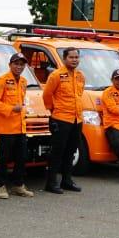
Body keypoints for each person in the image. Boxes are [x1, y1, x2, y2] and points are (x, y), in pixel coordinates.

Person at [0, 52, 35, 200]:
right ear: (10, 65)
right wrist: (10, 109)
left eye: (22, 64)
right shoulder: (2, 80)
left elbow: (21, 103)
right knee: (4, 158)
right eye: (16, 64)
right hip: (6, 127)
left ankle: (18, 185)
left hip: (20, 126)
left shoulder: (23, 81)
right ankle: (0, 185)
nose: (19, 67)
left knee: (21, 157)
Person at [42, 47, 85, 194]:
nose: (74, 60)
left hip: (76, 119)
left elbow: (79, 95)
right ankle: (51, 182)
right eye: (71, 57)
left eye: (76, 57)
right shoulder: (56, 75)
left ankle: (67, 180)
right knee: (57, 152)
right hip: (61, 119)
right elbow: (47, 95)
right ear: (65, 59)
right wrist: (53, 110)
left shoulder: (80, 76)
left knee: (71, 151)